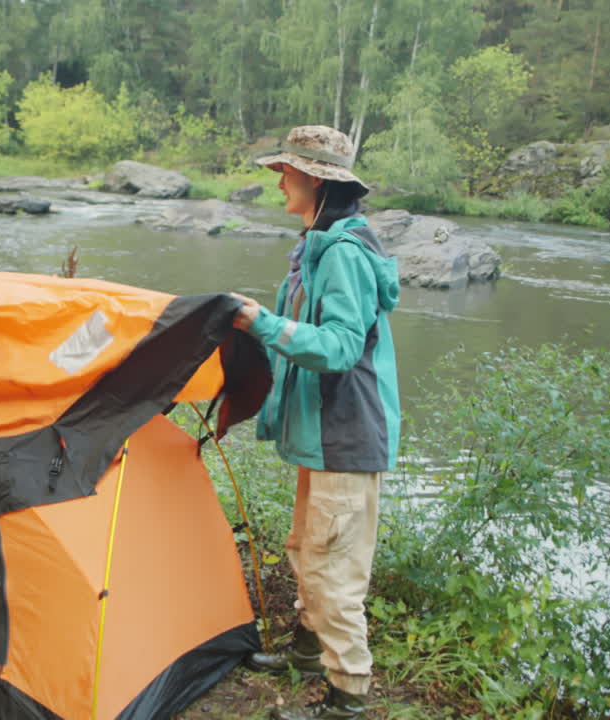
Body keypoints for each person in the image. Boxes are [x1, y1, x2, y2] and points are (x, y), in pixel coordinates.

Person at [232, 125, 400, 720]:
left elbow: (340, 347)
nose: (279, 180)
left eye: (286, 170)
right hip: (323, 436)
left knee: (334, 573)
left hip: (347, 436)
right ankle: (307, 653)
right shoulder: (318, 245)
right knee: (308, 549)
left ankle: (346, 697)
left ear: (316, 180)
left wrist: (262, 325)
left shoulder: (345, 255)